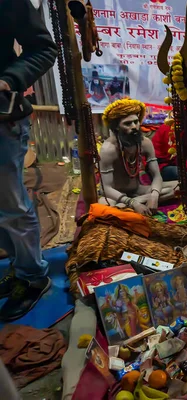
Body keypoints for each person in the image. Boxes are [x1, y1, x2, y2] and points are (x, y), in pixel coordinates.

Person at [0, 0, 58, 321]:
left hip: (2, 116)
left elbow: (43, 49)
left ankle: (33, 276)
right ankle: (18, 266)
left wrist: (8, 80)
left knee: (11, 205)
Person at [99, 99, 178, 216]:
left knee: (179, 186)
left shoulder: (145, 143)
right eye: (127, 123)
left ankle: (137, 203)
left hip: (137, 191)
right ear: (116, 127)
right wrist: (132, 203)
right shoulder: (108, 149)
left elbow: (157, 176)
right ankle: (134, 204)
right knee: (104, 206)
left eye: (136, 122)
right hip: (116, 196)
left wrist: (154, 195)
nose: (134, 126)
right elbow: (106, 188)